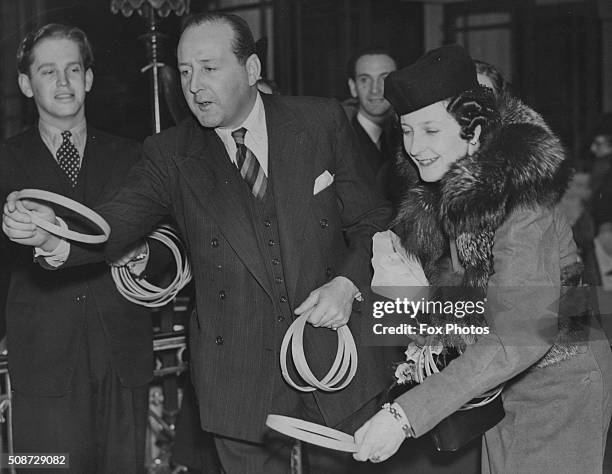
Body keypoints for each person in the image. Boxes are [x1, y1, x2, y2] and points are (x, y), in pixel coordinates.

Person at [3, 13, 393, 473]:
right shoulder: (170, 154)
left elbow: (374, 221)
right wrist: (54, 235)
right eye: (184, 72)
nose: (193, 85)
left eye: (209, 68)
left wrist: (346, 284)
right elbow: (112, 225)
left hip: (336, 360)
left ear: (251, 70)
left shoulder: (320, 121)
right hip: (238, 380)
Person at [351, 44, 612, 473]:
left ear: (474, 132)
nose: (416, 147)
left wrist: (405, 416)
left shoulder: (523, 199)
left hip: (561, 389)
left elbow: (522, 334)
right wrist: (412, 305)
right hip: (502, 385)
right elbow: (476, 304)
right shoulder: (452, 190)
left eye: (431, 131)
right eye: (407, 131)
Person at [0, 24, 154, 473]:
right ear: (27, 85)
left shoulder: (134, 156)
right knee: (42, 466)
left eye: (73, 69)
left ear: (89, 78)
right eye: (48, 71)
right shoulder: (5, 161)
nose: (63, 82)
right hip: (42, 362)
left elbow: (158, 239)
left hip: (123, 357)